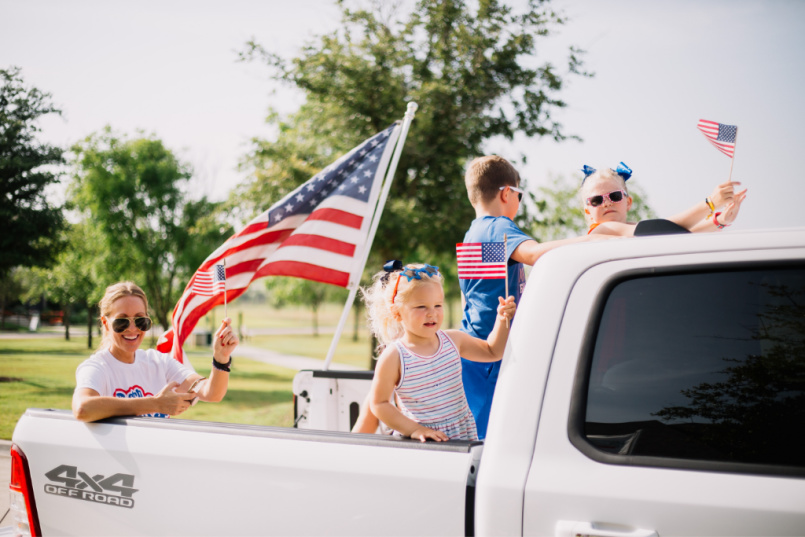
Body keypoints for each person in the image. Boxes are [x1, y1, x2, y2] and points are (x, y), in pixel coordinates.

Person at [459, 155, 613, 439]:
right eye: (519, 194)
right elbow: (533, 254)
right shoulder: (497, 227)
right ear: (507, 193)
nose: (519, 202)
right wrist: (594, 238)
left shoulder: (476, 232)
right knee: (488, 438)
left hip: (478, 349)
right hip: (491, 353)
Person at [361, 262, 515, 441]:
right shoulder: (395, 356)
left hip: (461, 436)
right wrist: (415, 429)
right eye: (421, 307)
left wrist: (501, 319)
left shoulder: (454, 340)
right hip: (421, 443)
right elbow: (379, 403)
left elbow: (492, 352)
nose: (431, 313)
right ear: (397, 313)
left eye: (438, 305)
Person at [72, 281, 238, 422]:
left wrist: (221, 358)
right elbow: (82, 408)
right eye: (122, 321)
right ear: (106, 323)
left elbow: (211, 393)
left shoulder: (159, 362)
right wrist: (155, 404)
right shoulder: (97, 367)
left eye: (140, 320)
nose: (132, 329)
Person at [581, 163, 747, 236]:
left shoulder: (632, 230)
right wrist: (711, 203)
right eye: (596, 200)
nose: (607, 202)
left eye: (614, 196)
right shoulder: (602, 230)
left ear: (628, 202)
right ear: (588, 211)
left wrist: (720, 221)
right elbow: (660, 228)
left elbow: (675, 234)